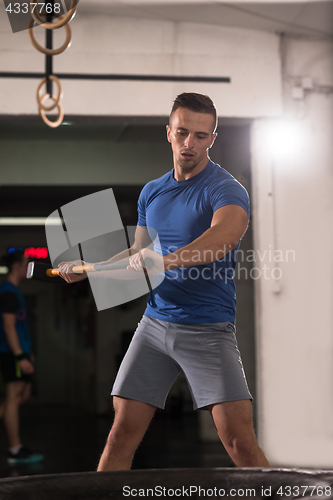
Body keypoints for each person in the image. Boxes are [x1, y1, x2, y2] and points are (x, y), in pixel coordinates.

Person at [58, 92, 270, 470]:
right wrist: (90, 267)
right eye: (183, 132)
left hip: (207, 328)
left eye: (201, 136)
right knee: (120, 435)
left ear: (212, 139)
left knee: (240, 444)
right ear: (168, 132)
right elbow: (138, 253)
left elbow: (224, 237)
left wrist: (165, 261)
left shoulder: (225, 188)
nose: (190, 143)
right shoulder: (152, 192)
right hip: (154, 327)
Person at [0, 248, 44, 464]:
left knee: (21, 396)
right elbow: (8, 327)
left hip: (19, 351)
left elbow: (17, 327)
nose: (28, 267)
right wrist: (20, 356)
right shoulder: (8, 292)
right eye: (26, 263)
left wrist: (28, 352)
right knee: (12, 398)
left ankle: (15, 446)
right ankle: (15, 449)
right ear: (17, 266)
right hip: (11, 353)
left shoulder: (14, 291)